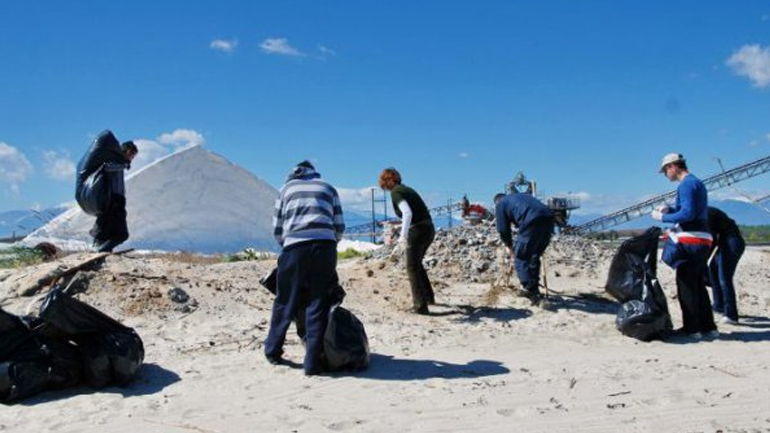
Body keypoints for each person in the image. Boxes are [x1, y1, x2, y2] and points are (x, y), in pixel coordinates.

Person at [264, 161, 345, 375]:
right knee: (318, 302)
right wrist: (330, 243)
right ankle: (312, 363)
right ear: (314, 172)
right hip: (325, 248)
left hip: (295, 249)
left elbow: (277, 228)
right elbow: (339, 225)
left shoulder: (285, 190)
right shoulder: (329, 188)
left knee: (285, 300)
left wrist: (288, 245)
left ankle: (273, 351)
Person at [652, 152, 717, 338]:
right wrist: (671, 209)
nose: (666, 175)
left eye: (665, 170)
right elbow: (692, 211)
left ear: (673, 166)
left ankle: (692, 328)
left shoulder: (686, 184)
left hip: (690, 239)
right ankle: (709, 327)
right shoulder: (697, 183)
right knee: (697, 284)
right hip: (704, 239)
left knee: (686, 284)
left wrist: (662, 217)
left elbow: (687, 214)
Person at [378, 167, 435, 315]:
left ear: (388, 181)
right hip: (428, 228)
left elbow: (407, 212)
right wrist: (401, 227)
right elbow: (414, 213)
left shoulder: (396, 191)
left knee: (411, 267)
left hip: (417, 231)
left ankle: (420, 306)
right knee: (417, 264)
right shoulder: (407, 189)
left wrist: (403, 236)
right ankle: (429, 297)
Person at [77, 130, 138, 253]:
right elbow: (107, 167)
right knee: (122, 235)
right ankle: (101, 250)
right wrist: (124, 164)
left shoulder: (119, 161)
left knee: (106, 232)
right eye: (131, 154)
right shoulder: (115, 161)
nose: (132, 157)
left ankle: (101, 246)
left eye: (133, 155)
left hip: (114, 201)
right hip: (114, 202)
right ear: (124, 151)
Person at [493, 192, 554, 302]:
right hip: (549, 219)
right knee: (535, 255)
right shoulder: (520, 197)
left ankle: (530, 290)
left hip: (531, 221)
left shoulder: (501, 204)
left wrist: (509, 245)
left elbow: (503, 229)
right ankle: (534, 286)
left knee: (521, 257)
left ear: (497, 202)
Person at [706, 206, 745, 325]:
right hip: (725, 242)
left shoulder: (706, 214)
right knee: (713, 270)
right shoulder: (704, 211)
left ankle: (731, 315)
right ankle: (719, 306)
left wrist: (703, 259)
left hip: (732, 242)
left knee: (724, 278)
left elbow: (711, 240)